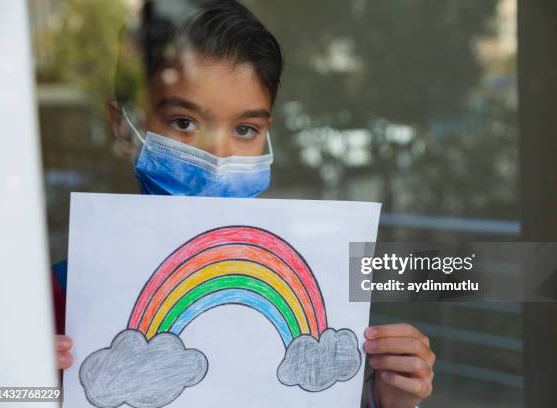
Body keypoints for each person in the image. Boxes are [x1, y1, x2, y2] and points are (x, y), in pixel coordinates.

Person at [52, 1, 434, 407]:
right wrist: (24, 389)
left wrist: (382, 400)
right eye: (184, 122)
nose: (218, 155)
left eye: (246, 128)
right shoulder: (50, 300)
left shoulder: (324, 301)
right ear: (122, 126)